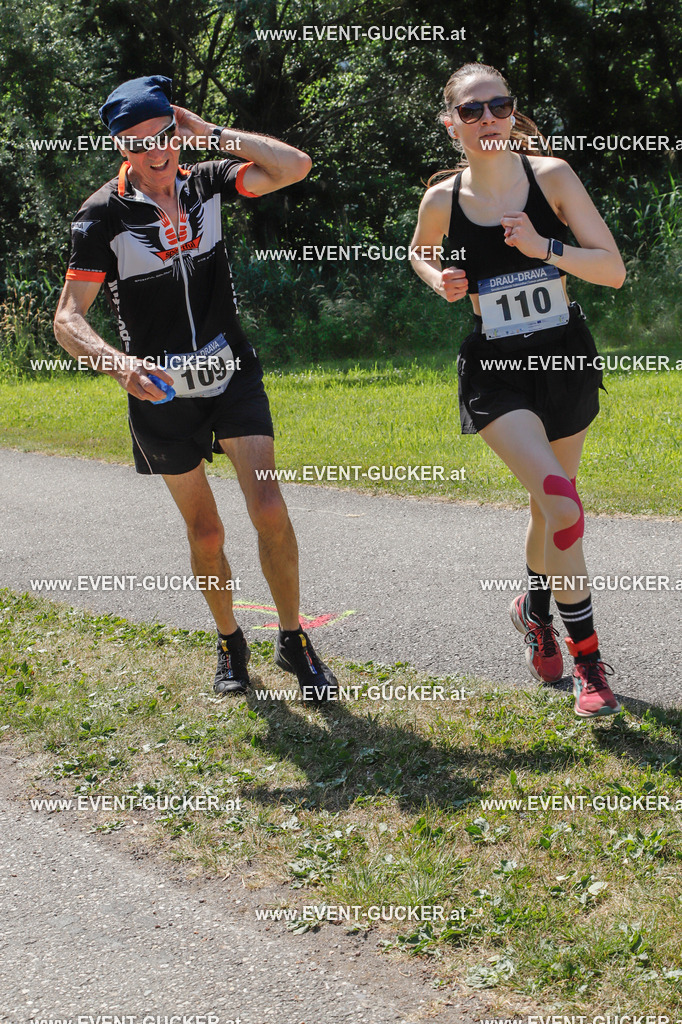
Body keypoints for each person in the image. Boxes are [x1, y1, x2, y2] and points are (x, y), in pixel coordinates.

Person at [54, 75, 337, 703]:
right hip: (158, 387)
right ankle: (231, 642)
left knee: (268, 509)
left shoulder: (207, 178)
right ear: (118, 149)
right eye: (136, 145)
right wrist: (115, 362)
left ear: (175, 128)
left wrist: (213, 134)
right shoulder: (101, 216)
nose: (157, 156)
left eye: (164, 137)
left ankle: (293, 638)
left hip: (229, 369)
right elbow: (67, 318)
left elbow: (294, 166)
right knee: (206, 531)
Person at [410, 62, 626, 719]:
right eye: (471, 111)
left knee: (549, 512)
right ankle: (588, 660)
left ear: (512, 110)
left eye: (497, 106)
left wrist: (544, 245)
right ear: (452, 125)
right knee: (564, 504)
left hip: (565, 359)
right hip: (496, 372)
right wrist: (437, 279)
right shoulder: (444, 198)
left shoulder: (552, 178)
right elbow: (419, 250)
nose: (488, 120)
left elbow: (612, 271)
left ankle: (534, 612)